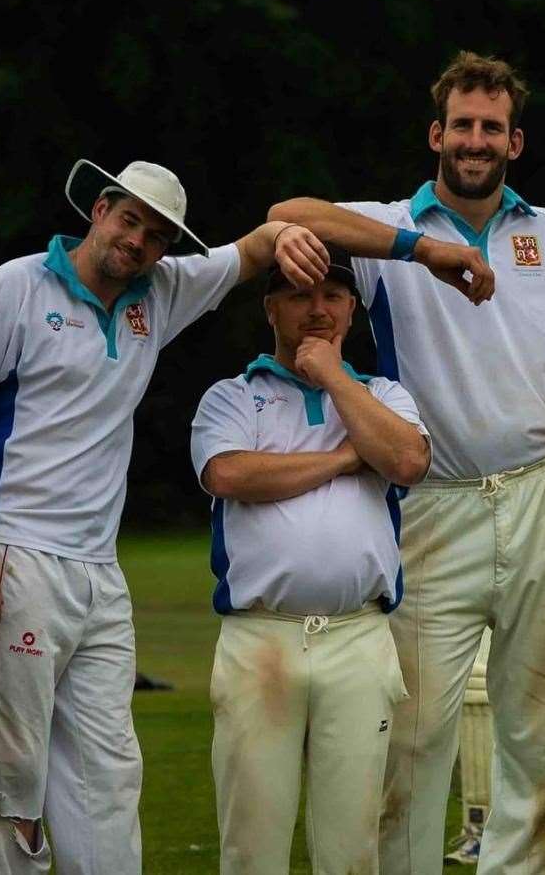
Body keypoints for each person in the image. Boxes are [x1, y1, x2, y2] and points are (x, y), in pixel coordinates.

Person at [269, 51, 545, 875]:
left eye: (492, 127)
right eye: (462, 125)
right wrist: (423, 250)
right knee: (410, 738)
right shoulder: (393, 231)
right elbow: (288, 213)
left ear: (515, 143)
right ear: (436, 133)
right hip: (433, 502)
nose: (476, 140)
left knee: (539, 736)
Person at [0, 157, 344, 874]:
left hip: (99, 576)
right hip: (12, 554)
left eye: (155, 235)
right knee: (11, 782)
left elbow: (254, 247)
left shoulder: (161, 292)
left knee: (108, 778)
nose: (138, 242)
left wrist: (293, 237)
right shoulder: (15, 287)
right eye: (129, 220)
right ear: (99, 210)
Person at [192, 251, 430, 874]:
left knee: (353, 845)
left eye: (333, 296)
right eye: (299, 295)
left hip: (359, 634)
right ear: (271, 307)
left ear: (353, 309)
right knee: (253, 839)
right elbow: (230, 473)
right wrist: (345, 459)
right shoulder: (233, 396)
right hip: (260, 636)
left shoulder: (382, 393)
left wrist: (333, 376)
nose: (317, 310)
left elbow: (407, 461)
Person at [444, 391, 545, 867]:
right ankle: (474, 824)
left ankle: (483, 826)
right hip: (442, 527)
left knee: (519, 712)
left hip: (531, 533)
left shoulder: (530, 364)